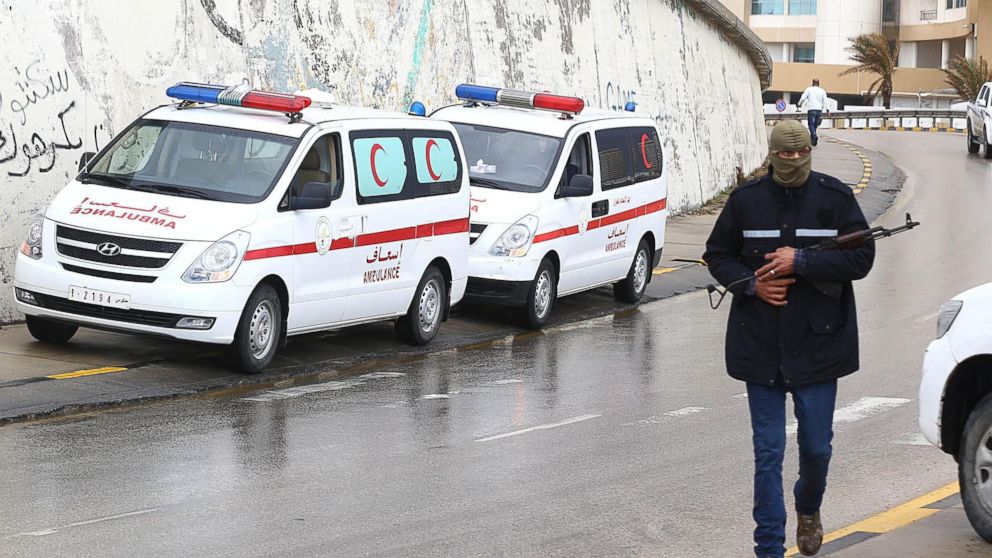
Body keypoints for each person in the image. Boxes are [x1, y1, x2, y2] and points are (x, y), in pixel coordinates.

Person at [702, 120, 875, 558]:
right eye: (785, 155)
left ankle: (809, 507)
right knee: (768, 452)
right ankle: (769, 548)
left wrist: (801, 261)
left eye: (801, 155)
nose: (793, 162)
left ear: (811, 152)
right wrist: (751, 285)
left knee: (816, 449)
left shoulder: (836, 199)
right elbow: (717, 255)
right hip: (759, 344)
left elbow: (862, 257)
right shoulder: (746, 202)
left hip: (819, 346)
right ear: (772, 154)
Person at [798, 79, 829, 146]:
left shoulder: (809, 89)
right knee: (815, 125)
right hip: (819, 110)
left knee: (811, 124)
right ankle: (813, 140)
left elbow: (803, 98)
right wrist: (828, 110)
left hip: (811, 109)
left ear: (812, 83)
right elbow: (826, 101)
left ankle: (814, 135)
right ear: (819, 84)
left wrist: (799, 104)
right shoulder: (822, 91)